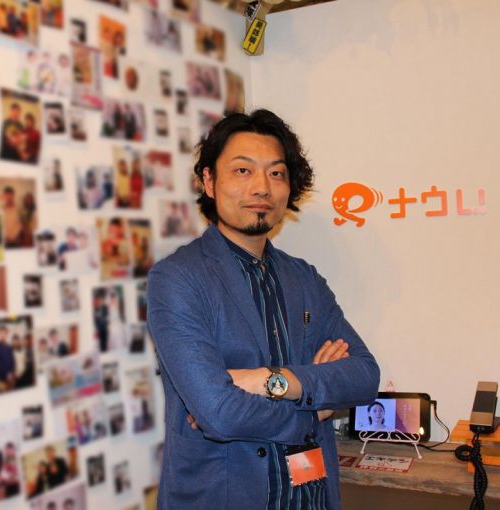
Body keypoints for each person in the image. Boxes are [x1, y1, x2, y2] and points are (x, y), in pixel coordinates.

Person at [146, 109, 380, 510]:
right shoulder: (177, 278)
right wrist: (314, 411)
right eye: (243, 170)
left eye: (276, 173)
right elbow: (219, 412)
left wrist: (267, 381)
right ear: (209, 181)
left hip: (311, 498)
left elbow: (363, 375)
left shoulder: (304, 278)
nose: (262, 187)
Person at [0, 326, 15, 392]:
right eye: (1, 333)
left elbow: (12, 361)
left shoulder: (9, 347)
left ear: (7, 335)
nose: (3, 335)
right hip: (1, 379)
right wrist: (6, 374)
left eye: (4, 333)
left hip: (11, 377)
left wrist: (11, 373)